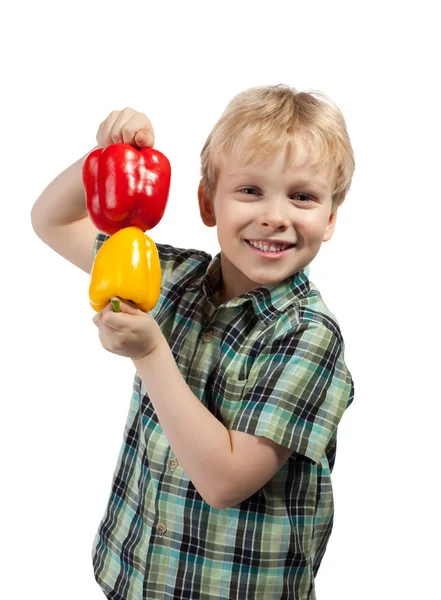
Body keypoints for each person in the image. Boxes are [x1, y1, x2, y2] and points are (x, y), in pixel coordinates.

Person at [31, 84, 355, 600]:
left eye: (303, 196)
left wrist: (151, 353)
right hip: (135, 575)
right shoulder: (167, 275)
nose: (275, 215)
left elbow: (224, 482)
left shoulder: (308, 335)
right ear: (207, 203)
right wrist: (109, 155)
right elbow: (52, 220)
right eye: (250, 190)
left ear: (330, 217)